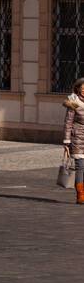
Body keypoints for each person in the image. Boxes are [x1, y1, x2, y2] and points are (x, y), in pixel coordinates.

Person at [63, 77, 84, 205]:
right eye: (82, 89)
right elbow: (68, 123)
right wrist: (66, 141)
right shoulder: (73, 102)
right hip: (78, 138)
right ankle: (80, 195)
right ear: (77, 89)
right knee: (80, 166)